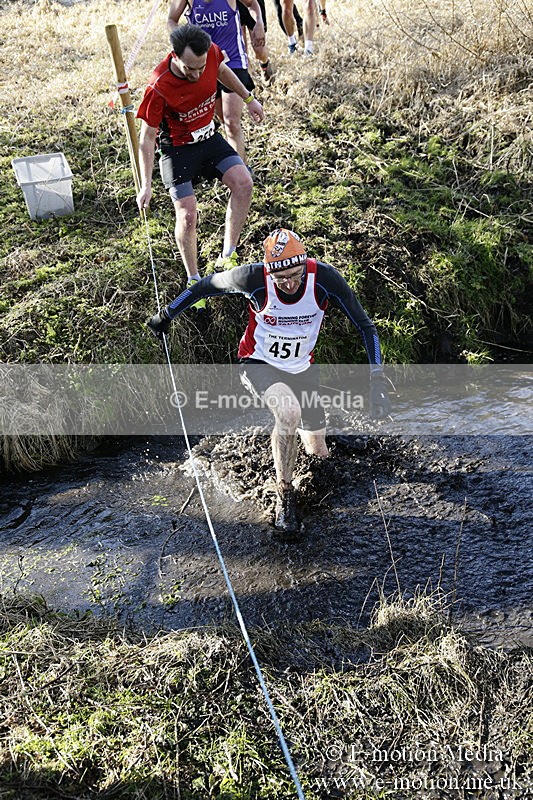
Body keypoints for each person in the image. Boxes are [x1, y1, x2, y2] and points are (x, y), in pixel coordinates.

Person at [147, 228, 392, 538]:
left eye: (295, 275)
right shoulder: (253, 278)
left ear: (305, 264)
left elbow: (366, 327)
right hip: (258, 363)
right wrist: (167, 314)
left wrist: (377, 380)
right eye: (281, 279)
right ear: (269, 272)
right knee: (288, 412)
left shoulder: (325, 279)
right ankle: (284, 494)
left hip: (302, 368)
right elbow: (206, 286)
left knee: (318, 453)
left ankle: (310, 454)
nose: (289, 284)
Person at [136, 24, 264, 307]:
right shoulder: (158, 86)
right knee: (188, 215)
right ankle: (194, 282)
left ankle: (227, 254)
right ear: (175, 56)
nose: (196, 75)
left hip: (208, 139)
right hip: (177, 151)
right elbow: (147, 140)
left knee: (244, 182)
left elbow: (222, 71)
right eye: (190, 69)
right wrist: (146, 185)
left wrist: (249, 98)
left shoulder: (211, 55)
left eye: (200, 67)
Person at [168, 0, 265, 166]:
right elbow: (171, 20)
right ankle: (234, 165)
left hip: (233, 61)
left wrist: (259, 23)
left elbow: (253, 4)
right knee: (222, 119)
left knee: (231, 122)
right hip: (205, 64)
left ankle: (242, 173)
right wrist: (182, 42)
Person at [237, 0, 274, 83]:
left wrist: (259, 22)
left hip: (254, 4)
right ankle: (250, 85)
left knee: (260, 51)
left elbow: (251, 3)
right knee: (242, 53)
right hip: (233, 7)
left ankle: (264, 65)